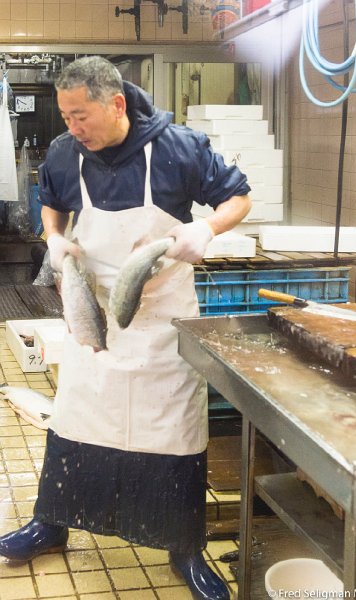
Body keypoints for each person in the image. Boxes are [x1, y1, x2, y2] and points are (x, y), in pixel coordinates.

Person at [0, 56, 251, 600]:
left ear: (116, 105)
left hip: (162, 322)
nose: (71, 127)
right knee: (75, 420)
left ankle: (185, 548)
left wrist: (205, 226)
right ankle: (53, 524)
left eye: (80, 116)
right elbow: (52, 202)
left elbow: (239, 196)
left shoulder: (179, 147)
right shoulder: (68, 153)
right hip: (94, 314)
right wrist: (54, 239)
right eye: (65, 116)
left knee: (175, 434)